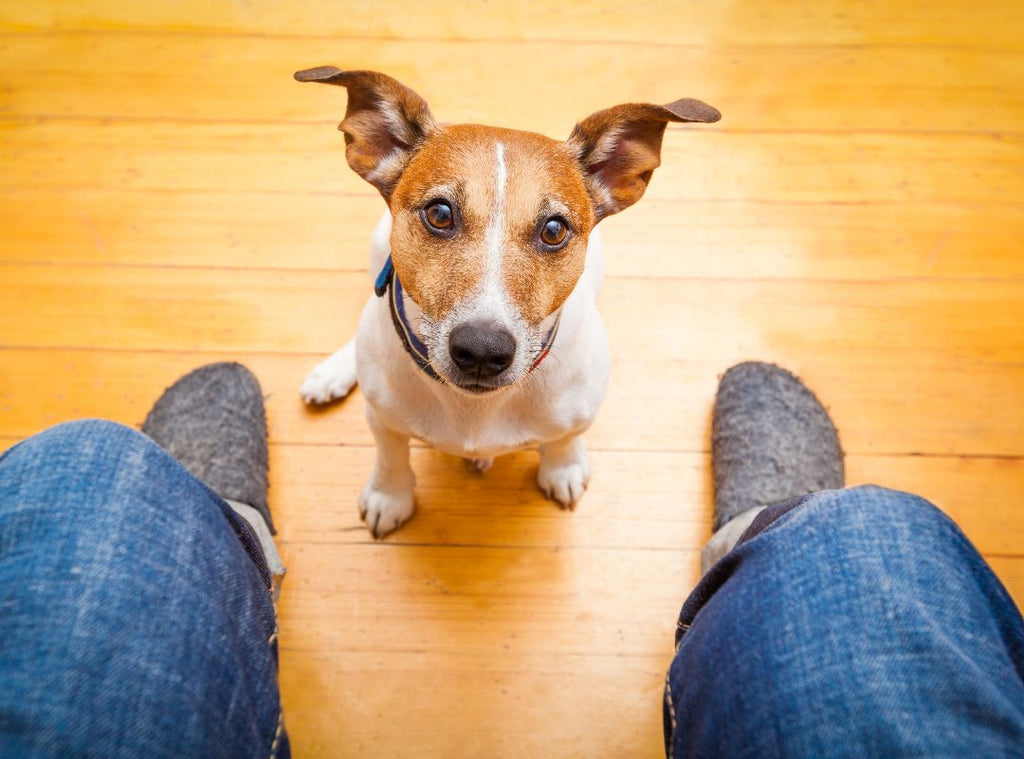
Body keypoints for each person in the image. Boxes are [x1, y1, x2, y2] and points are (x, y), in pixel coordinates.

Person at [0, 363, 1020, 757]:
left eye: (546, 233)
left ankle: (203, 532)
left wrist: (558, 447)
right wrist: (394, 472)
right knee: (874, 542)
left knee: (86, 471)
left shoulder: (574, 358)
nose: (485, 320)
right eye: (439, 219)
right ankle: (785, 537)